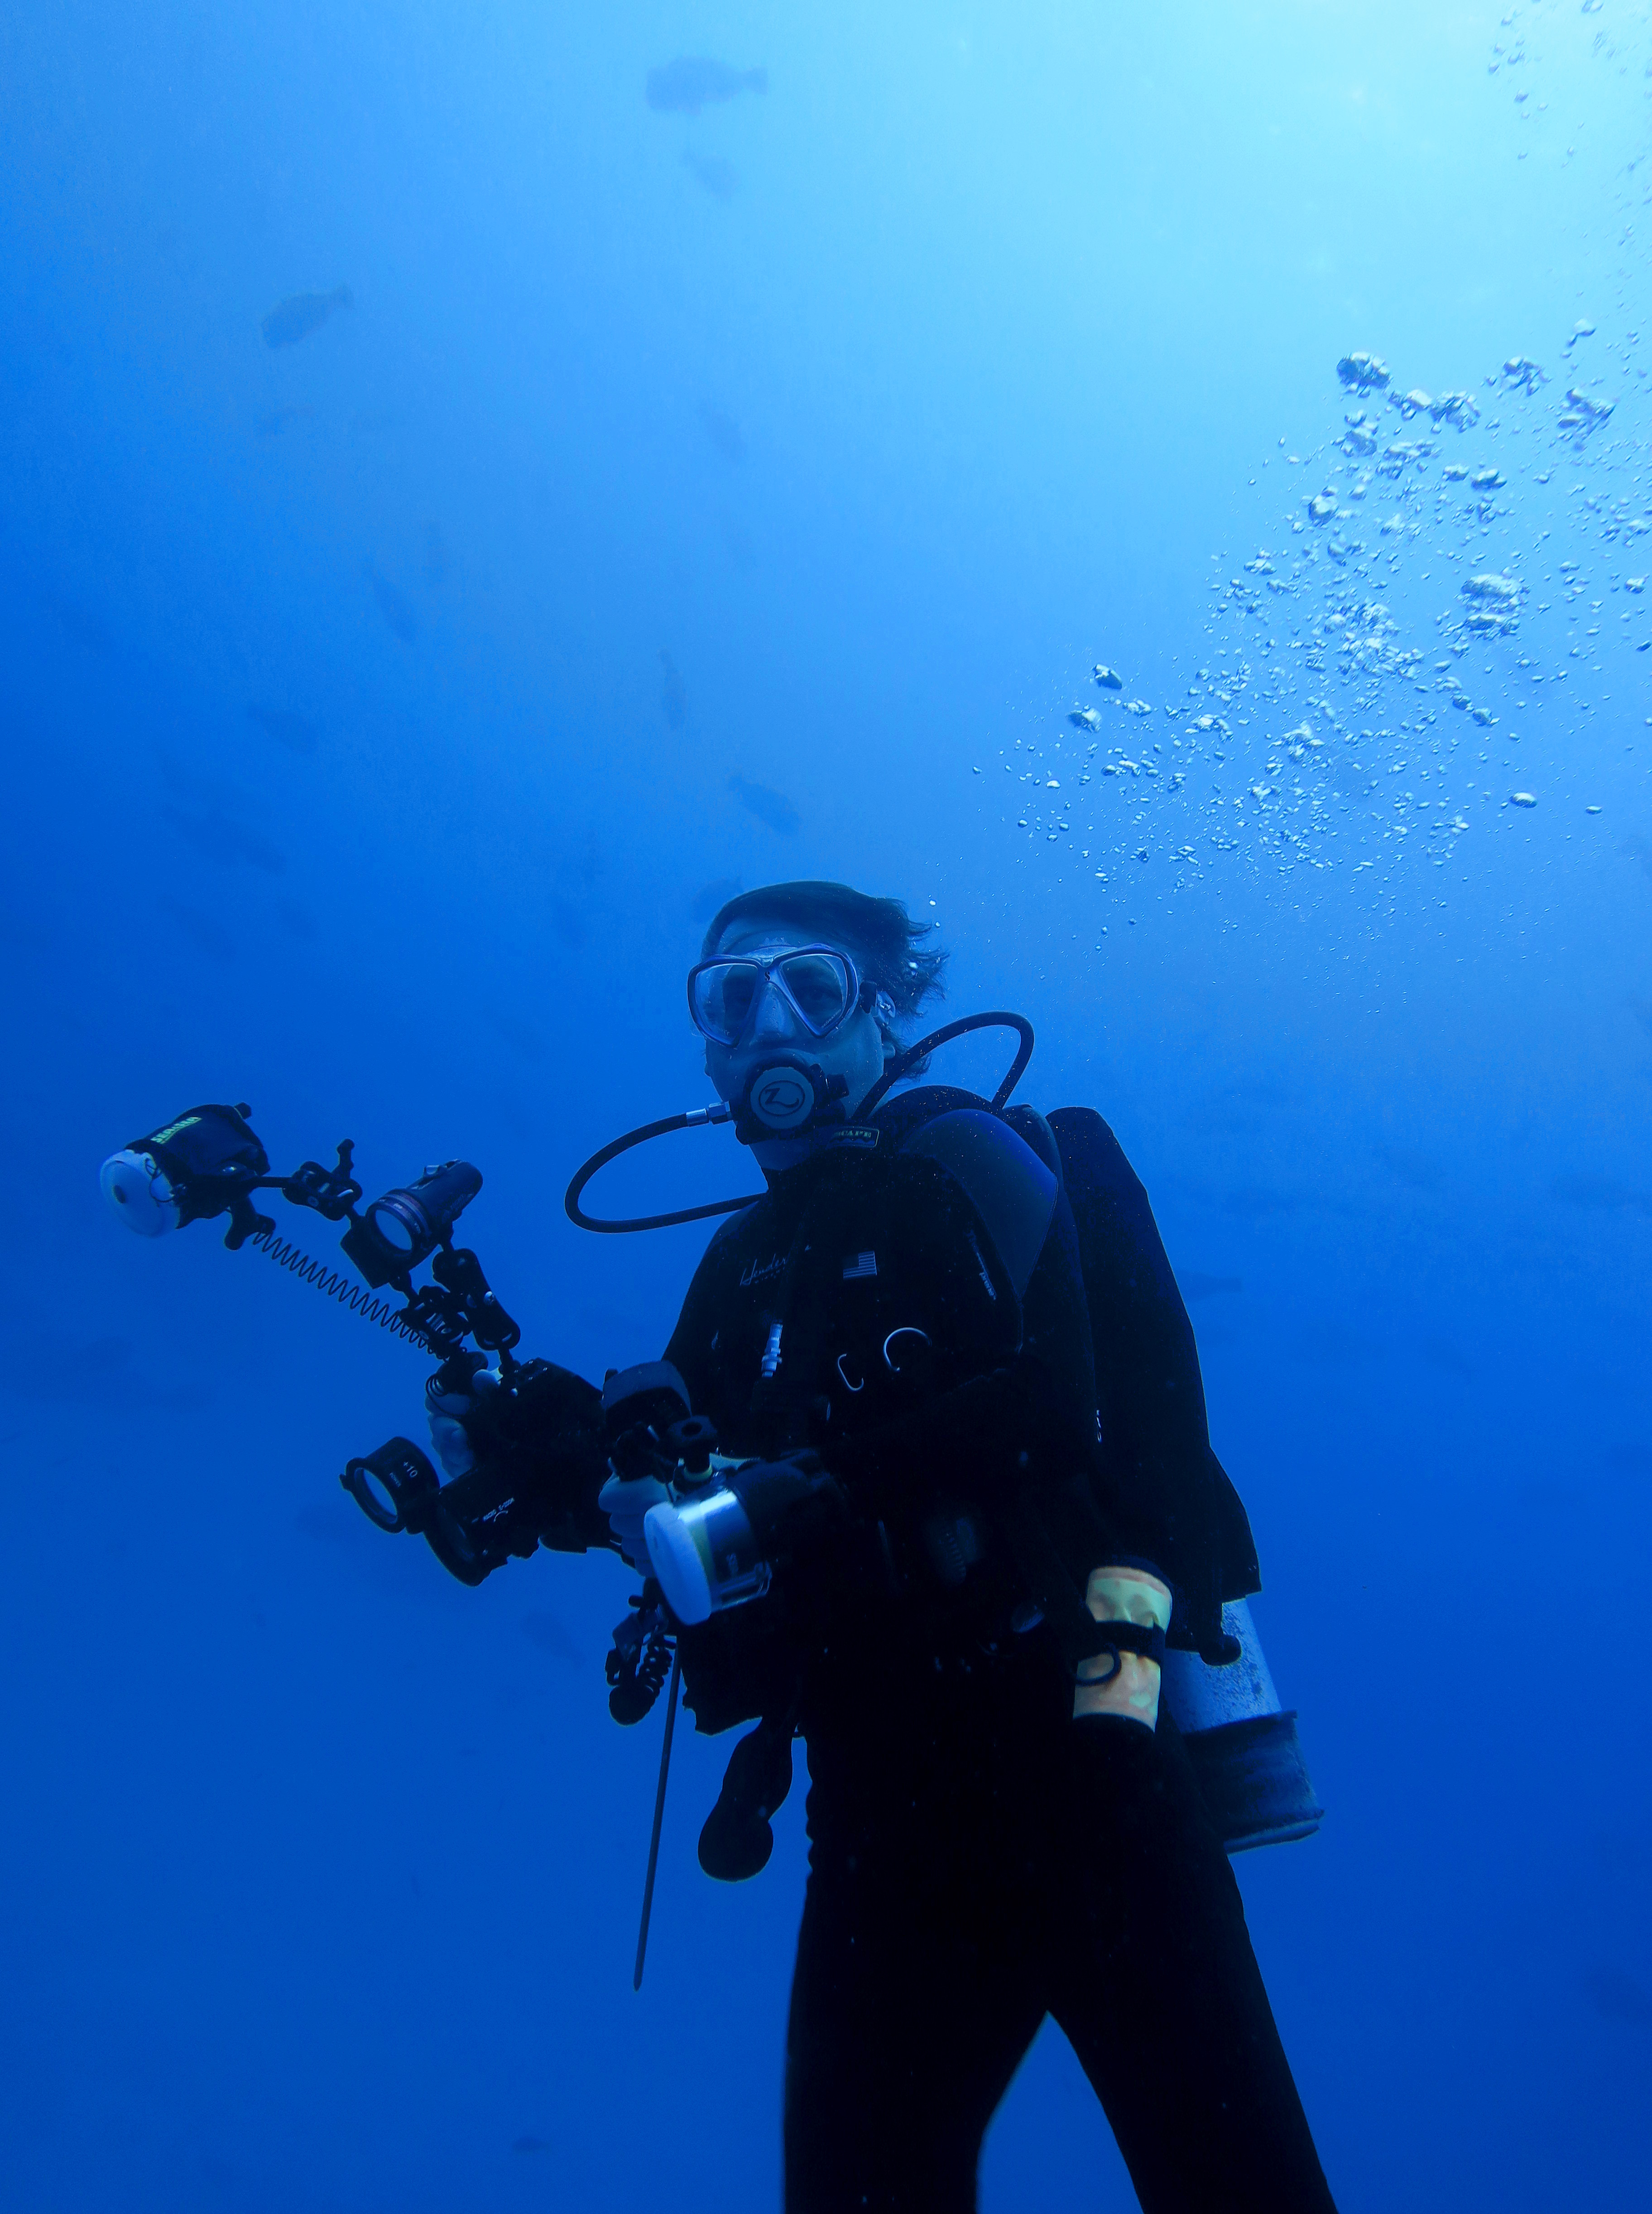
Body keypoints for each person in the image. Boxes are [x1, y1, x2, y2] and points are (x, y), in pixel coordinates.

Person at [425, 880, 1338, 2214]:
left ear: (883, 1020)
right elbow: (687, 1511)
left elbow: (1057, 1403)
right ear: (708, 1051)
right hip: (875, 1803)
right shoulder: (740, 1266)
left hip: (1087, 1756)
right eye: (732, 998)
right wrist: (542, 1461)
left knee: (1240, 2188)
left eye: (811, 987)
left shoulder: (962, 1151)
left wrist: (809, 1488)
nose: (769, 1023)